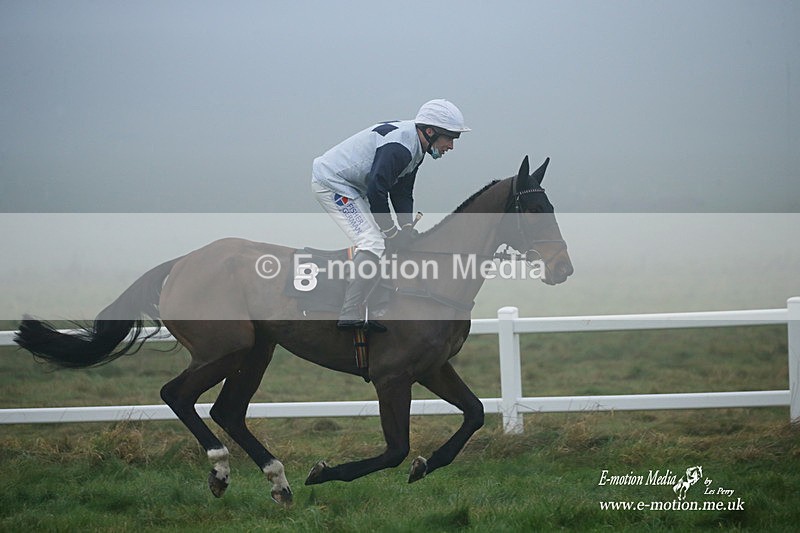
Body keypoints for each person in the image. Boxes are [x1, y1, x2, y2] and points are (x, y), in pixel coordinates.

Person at [311, 99, 470, 330]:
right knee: (373, 241)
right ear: (430, 131)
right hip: (332, 183)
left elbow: (402, 191)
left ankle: (375, 302)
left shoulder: (417, 147)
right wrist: (391, 231)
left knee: (384, 239)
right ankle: (349, 311)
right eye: (450, 138)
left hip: (355, 185)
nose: (451, 146)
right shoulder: (401, 148)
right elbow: (378, 191)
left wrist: (406, 228)